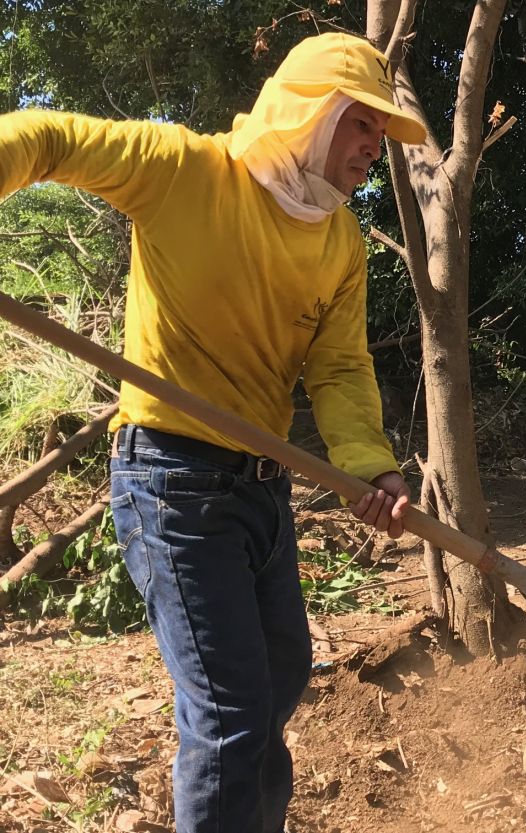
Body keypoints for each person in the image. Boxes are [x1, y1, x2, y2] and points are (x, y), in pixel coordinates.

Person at [0, 32, 426, 833]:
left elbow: (337, 367)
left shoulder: (339, 243)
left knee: (281, 674)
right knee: (232, 711)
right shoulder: (184, 170)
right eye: (362, 123)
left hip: (263, 488)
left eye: (381, 131)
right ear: (309, 111)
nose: (375, 145)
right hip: (171, 481)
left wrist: (371, 465)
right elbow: (45, 137)